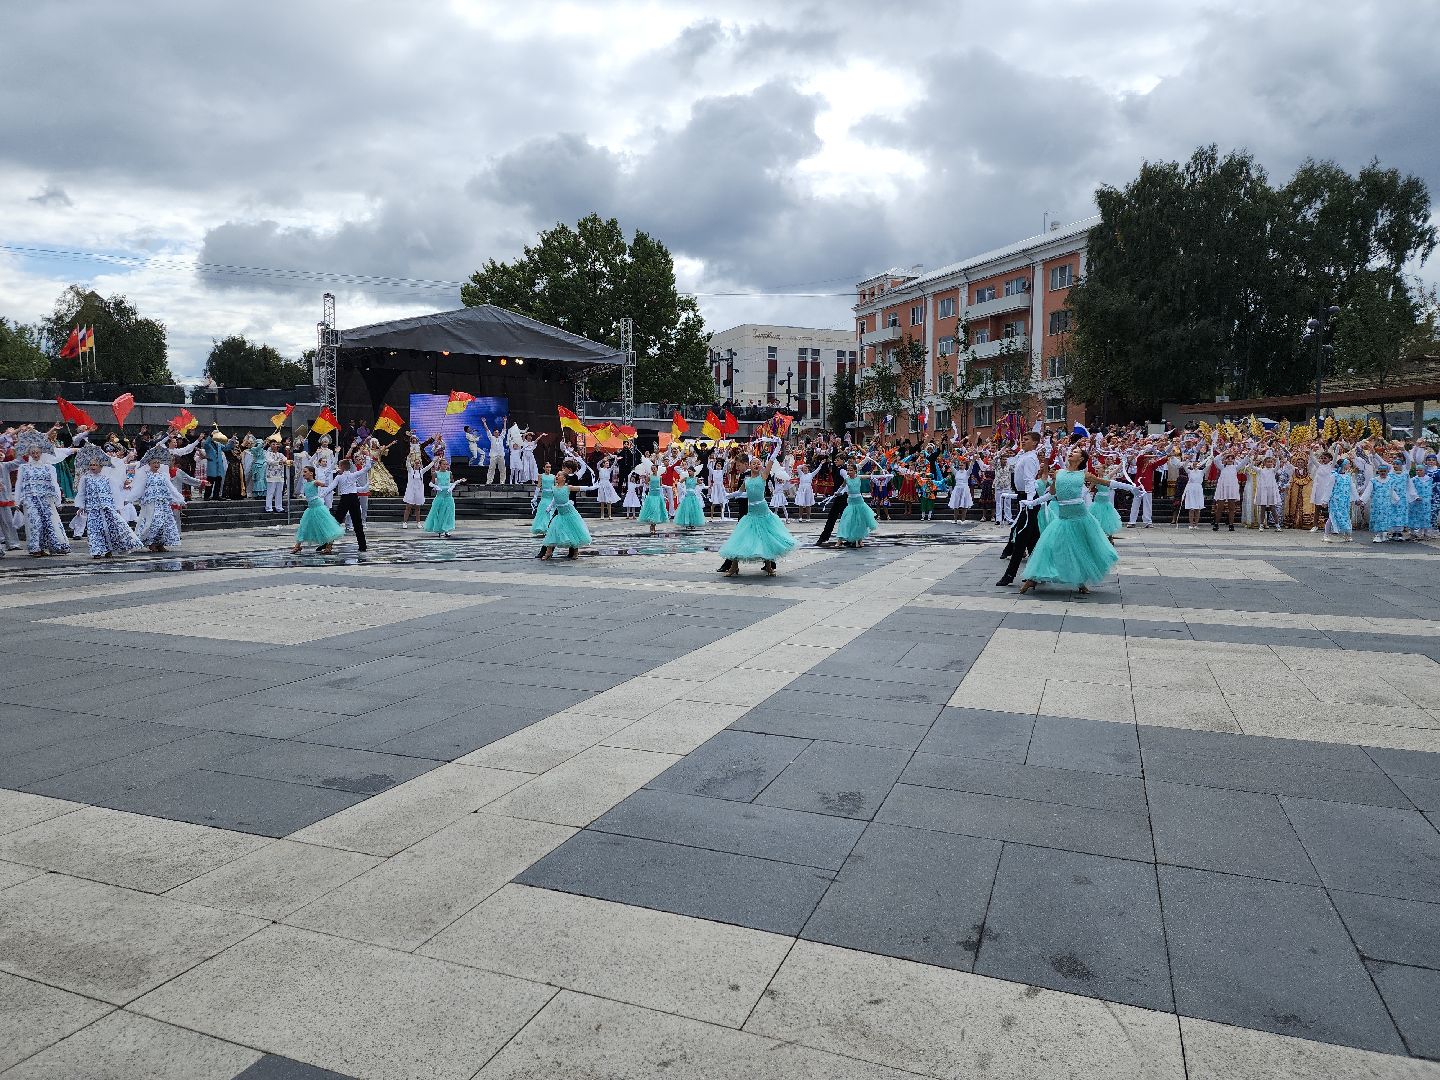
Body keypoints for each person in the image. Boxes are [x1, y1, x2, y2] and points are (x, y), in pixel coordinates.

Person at [1018, 447, 1119, 595]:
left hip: (1081, 518)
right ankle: (1034, 577)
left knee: (1080, 549)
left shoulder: (1084, 475)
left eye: (1076, 452)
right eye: (1072, 450)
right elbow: (1051, 494)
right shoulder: (1059, 473)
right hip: (1063, 518)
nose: (1072, 452)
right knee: (1049, 547)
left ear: (1081, 459)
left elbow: (1107, 483)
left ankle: (1080, 581)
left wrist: (1132, 488)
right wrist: (1033, 502)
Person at [717, 441, 796, 576]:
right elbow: (740, 493)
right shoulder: (746, 480)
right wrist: (727, 496)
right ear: (749, 465)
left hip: (763, 512)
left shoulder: (763, 476)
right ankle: (733, 566)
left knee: (766, 538)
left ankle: (769, 566)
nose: (756, 465)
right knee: (740, 537)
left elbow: (771, 461)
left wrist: (777, 446)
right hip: (752, 513)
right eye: (753, 463)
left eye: (758, 463)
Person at [74, 443, 142, 558]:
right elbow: (82, 493)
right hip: (93, 509)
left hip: (107, 508)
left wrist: (117, 507)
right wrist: (81, 506)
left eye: (95, 464)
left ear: (101, 466)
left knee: (108, 529)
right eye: (91, 465)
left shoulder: (108, 479)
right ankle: (96, 551)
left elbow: (115, 494)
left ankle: (108, 549)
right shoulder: (85, 478)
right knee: (94, 530)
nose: (93, 467)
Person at [14, 432, 70, 556]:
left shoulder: (49, 468)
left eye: (37, 452)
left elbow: (54, 484)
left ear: (41, 453)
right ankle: (36, 548)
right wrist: (17, 501)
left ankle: (47, 547)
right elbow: (19, 484)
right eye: (33, 453)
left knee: (48, 522)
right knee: (34, 522)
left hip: (46, 499)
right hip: (30, 498)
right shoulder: (24, 468)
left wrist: (58, 501)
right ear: (29, 453)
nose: (35, 455)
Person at [536, 463, 592, 560]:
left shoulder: (573, 479)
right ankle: (547, 552)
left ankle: (574, 552)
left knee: (572, 529)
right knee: (553, 529)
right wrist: (549, 507)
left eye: (564, 469)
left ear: (569, 470)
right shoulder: (556, 486)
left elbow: (580, 487)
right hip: (560, 510)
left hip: (569, 509)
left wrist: (594, 486)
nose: (557, 475)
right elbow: (555, 496)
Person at [292, 465, 344, 554]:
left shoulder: (315, 482)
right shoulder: (305, 483)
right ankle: (297, 546)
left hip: (318, 507)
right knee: (304, 526)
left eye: (305, 472)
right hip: (311, 508)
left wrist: (328, 475)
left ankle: (329, 546)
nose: (303, 474)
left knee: (324, 526)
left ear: (311, 473)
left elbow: (325, 484)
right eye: (303, 472)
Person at [328, 456, 372, 552]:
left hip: (345, 499)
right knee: (358, 523)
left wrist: (320, 496)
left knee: (336, 522)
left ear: (342, 467)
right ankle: (362, 546)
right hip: (353, 498)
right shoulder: (353, 475)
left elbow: (330, 488)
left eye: (339, 466)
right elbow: (367, 467)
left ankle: (328, 544)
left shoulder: (339, 477)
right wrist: (367, 457)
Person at [422, 457, 463, 537]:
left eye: (446, 464)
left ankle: (446, 529)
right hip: (440, 495)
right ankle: (439, 529)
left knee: (448, 513)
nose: (445, 466)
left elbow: (452, 483)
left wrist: (451, 487)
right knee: (440, 513)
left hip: (448, 495)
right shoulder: (436, 473)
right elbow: (430, 483)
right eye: (444, 464)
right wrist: (436, 486)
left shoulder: (449, 473)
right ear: (440, 465)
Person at [401, 438, 434, 528]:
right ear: (414, 464)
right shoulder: (410, 470)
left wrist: (435, 460)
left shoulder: (421, 471)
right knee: (408, 507)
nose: (417, 464)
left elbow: (429, 466)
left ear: (420, 464)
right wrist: (409, 456)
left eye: (418, 463)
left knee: (418, 507)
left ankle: (418, 522)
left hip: (419, 490)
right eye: (416, 463)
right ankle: (405, 522)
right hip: (411, 490)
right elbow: (407, 463)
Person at [637, 471, 669, 535]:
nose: (653, 470)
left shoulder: (659, 477)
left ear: (657, 469)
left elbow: (660, 486)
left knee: (656, 511)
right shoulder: (650, 477)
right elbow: (646, 483)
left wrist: (663, 495)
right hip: (651, 495)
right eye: (652, 469)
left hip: (657, 495)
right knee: (652, 509)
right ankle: (652, 525)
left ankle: (654, 526)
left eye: (654, 468)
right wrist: (645, 479)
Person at [531, 464, 557, 536]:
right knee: (543, 511)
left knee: (551, 512)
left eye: (549, 467)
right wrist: (535, 497)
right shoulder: (541, 476)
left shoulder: (553, 476)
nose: (548, 468)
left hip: (551, 497)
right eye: (547, 467)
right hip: (545, 497)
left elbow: (555, 486)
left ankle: (550, 528)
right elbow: (538, 486)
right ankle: (543, 527)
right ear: (544, 468)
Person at [264, 437, 289, 512]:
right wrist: (279, 462)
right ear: (270, 445)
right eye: (273, 444)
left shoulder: (280, 454)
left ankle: (279, 507)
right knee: (270, 492)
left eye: (276, 444)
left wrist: (286, 461)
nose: (275, 446)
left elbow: (285, 459)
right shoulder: (267, 453)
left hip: (280, 475)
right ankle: (268, 507)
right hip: (271, 475)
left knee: (279, 492)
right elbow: (269, 461)